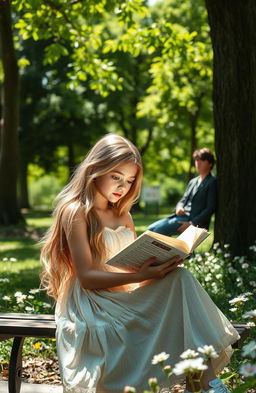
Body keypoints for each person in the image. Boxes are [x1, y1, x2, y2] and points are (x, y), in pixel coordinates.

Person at [40, 135, 238, 393]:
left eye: (130, 180)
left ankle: (202, 380)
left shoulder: (124, 214)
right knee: (180, 298)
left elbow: (133, 272)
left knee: (179, 278)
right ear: (96, 169)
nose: (122, 186)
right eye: (116, 177)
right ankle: (204, 383)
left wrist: (159, 270)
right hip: (91, 302)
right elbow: (87, 277)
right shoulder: (76, 211)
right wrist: (140, 276)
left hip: (124, 295)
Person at [148, 148, 217, 236]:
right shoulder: (193, 181)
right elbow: (183, 200)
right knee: (150, 229)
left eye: (202, 160)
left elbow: (210, 208)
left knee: (158, 231)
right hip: (180, 217)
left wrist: (192, 223)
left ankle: (164, 250)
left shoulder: (212, 182)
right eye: (196, 160)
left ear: (210, 163)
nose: (198, 163)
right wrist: (179, 207)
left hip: (192, 221)